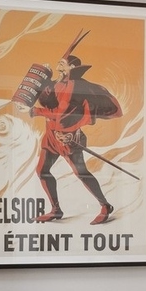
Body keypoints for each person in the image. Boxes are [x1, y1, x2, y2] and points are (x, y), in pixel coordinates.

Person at [29, 55, 122, 224]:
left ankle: (105, 205)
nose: (59, 68)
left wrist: (37, 112)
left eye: (62, 65)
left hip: (69, 137)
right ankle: (56, 210)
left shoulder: (74, 87)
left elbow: (61, 114)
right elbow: (40, 95)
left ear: (72, 67)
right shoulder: (57, 84)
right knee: (42, 170)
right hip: (51, 135)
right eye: (58, 64)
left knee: (81, 173)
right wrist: (43, 74)